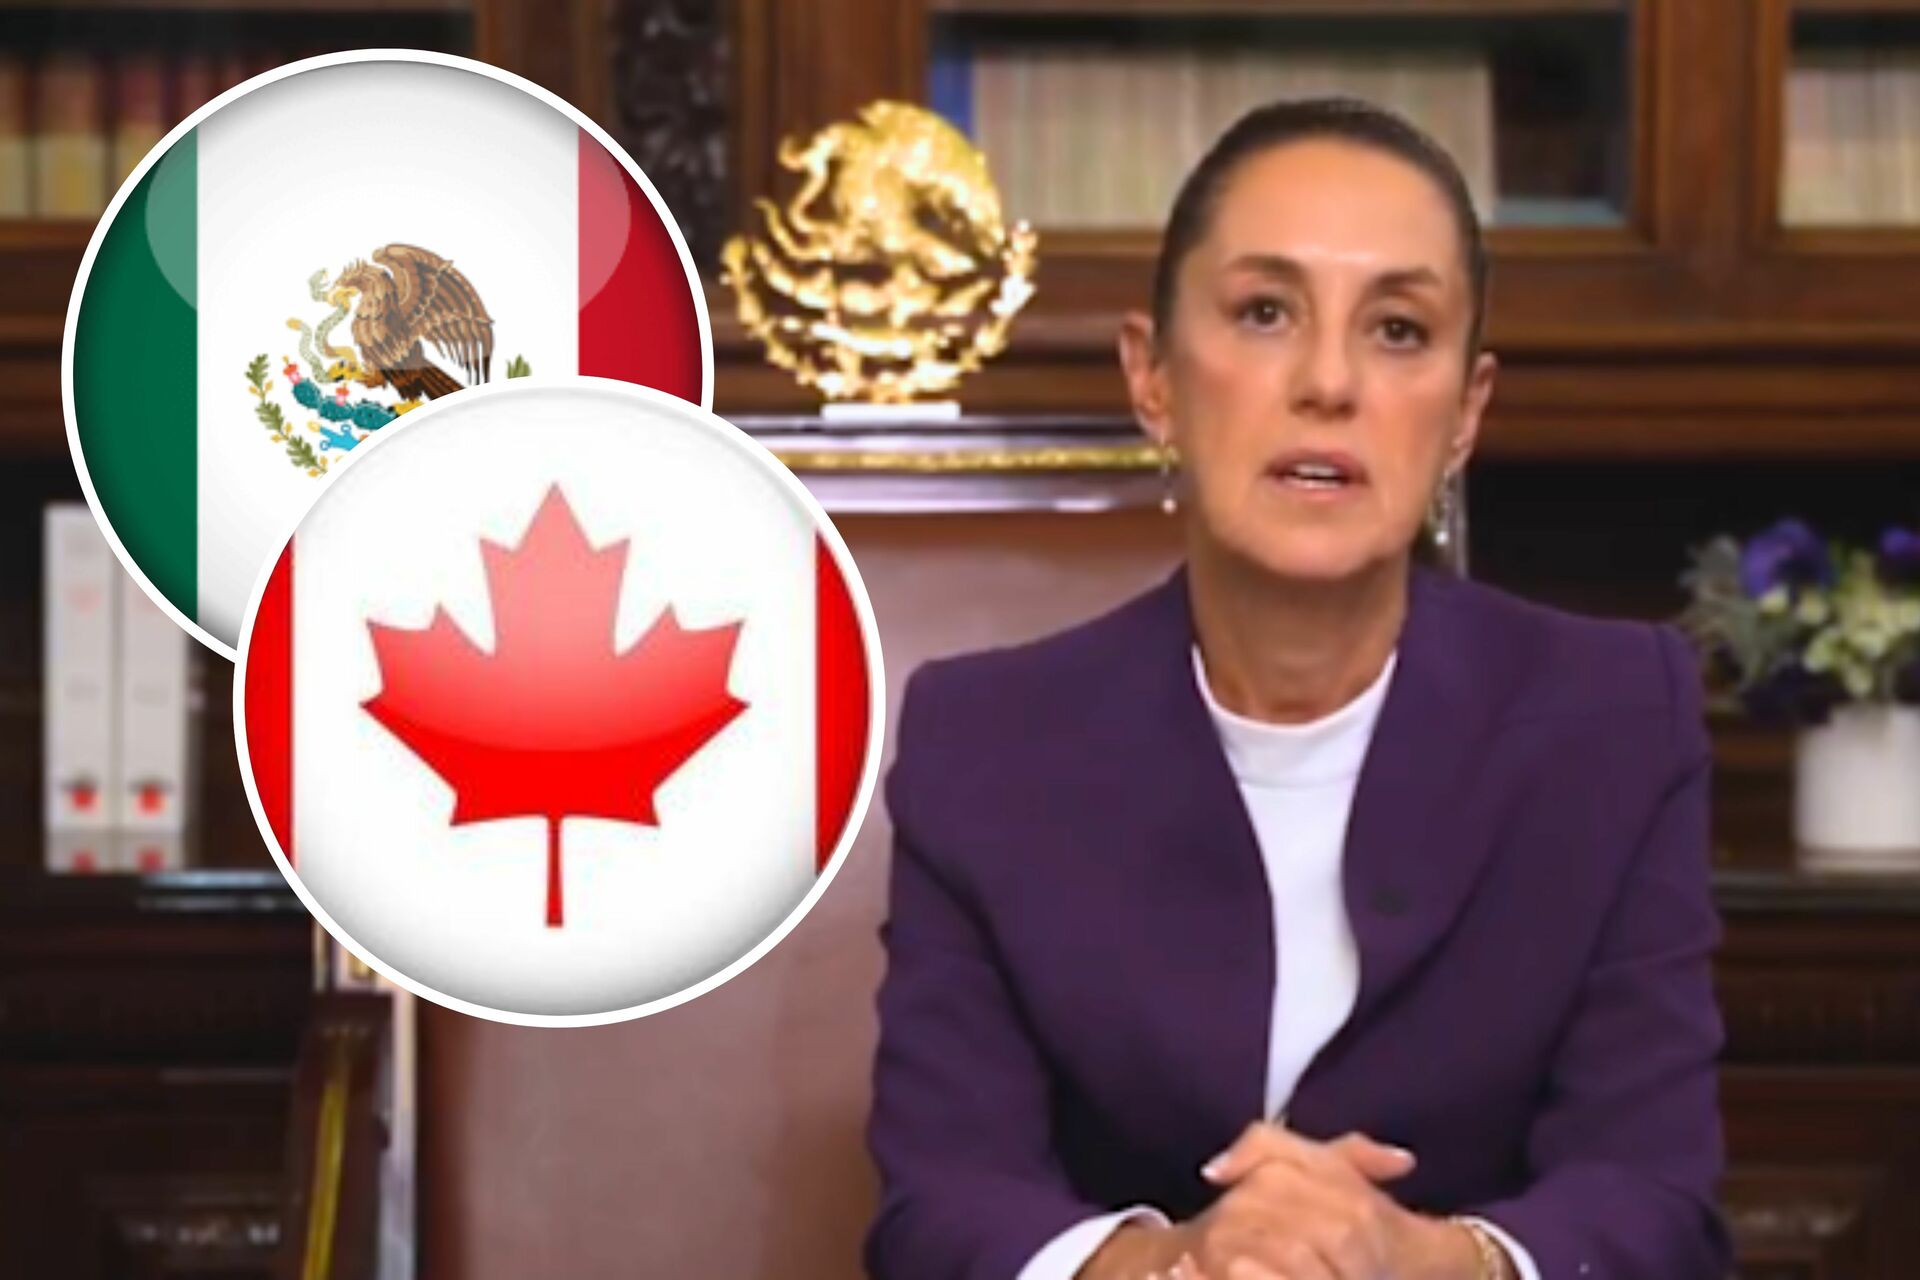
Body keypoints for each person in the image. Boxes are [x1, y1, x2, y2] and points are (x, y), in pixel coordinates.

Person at [863, 98, 1728, 1280]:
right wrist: (1174, 1262)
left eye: (1399, 330)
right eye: (1265, 312)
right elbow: (942, 1203)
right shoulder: (985, 744)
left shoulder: (1615, 720)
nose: (1329, 381)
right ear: (1153, 376)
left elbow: (1655, 1198)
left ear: (1466, 413)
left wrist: (1423, 1260)